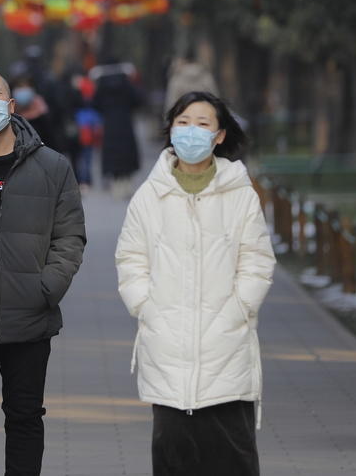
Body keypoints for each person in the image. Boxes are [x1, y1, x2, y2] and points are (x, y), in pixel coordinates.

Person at [115, 91, 275, 476]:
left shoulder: (239, 194)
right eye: (183, 122)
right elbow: (130, 259)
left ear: (219, 136)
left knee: (231, 456)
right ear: (171, 129)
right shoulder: (150, 196)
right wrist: (145, 306)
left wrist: (239, 309)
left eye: (203, 124)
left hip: (226, 342)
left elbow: (257, 260)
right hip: (166, 344)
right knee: (173, 453)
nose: (191, 132)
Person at [0, 69, 86, 476]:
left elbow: (71, 235)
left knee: (25, 415)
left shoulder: (52, 165)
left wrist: (48, 287)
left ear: (11, 106)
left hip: (30, 314)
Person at [91, 61, 143, 198]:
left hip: (109, 125)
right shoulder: (126, 83)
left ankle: (116, 186)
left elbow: (95, 103)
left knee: (112, 155)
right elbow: (137, 100)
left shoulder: (102, 84)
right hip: (126, 124)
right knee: (127, 154)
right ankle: (127, 185)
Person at [11, 75, 63, 155]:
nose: (23, 90)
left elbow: (52, 143)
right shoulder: (10, 116)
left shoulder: (43, 114)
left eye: (26, 86)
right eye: (20, 87)